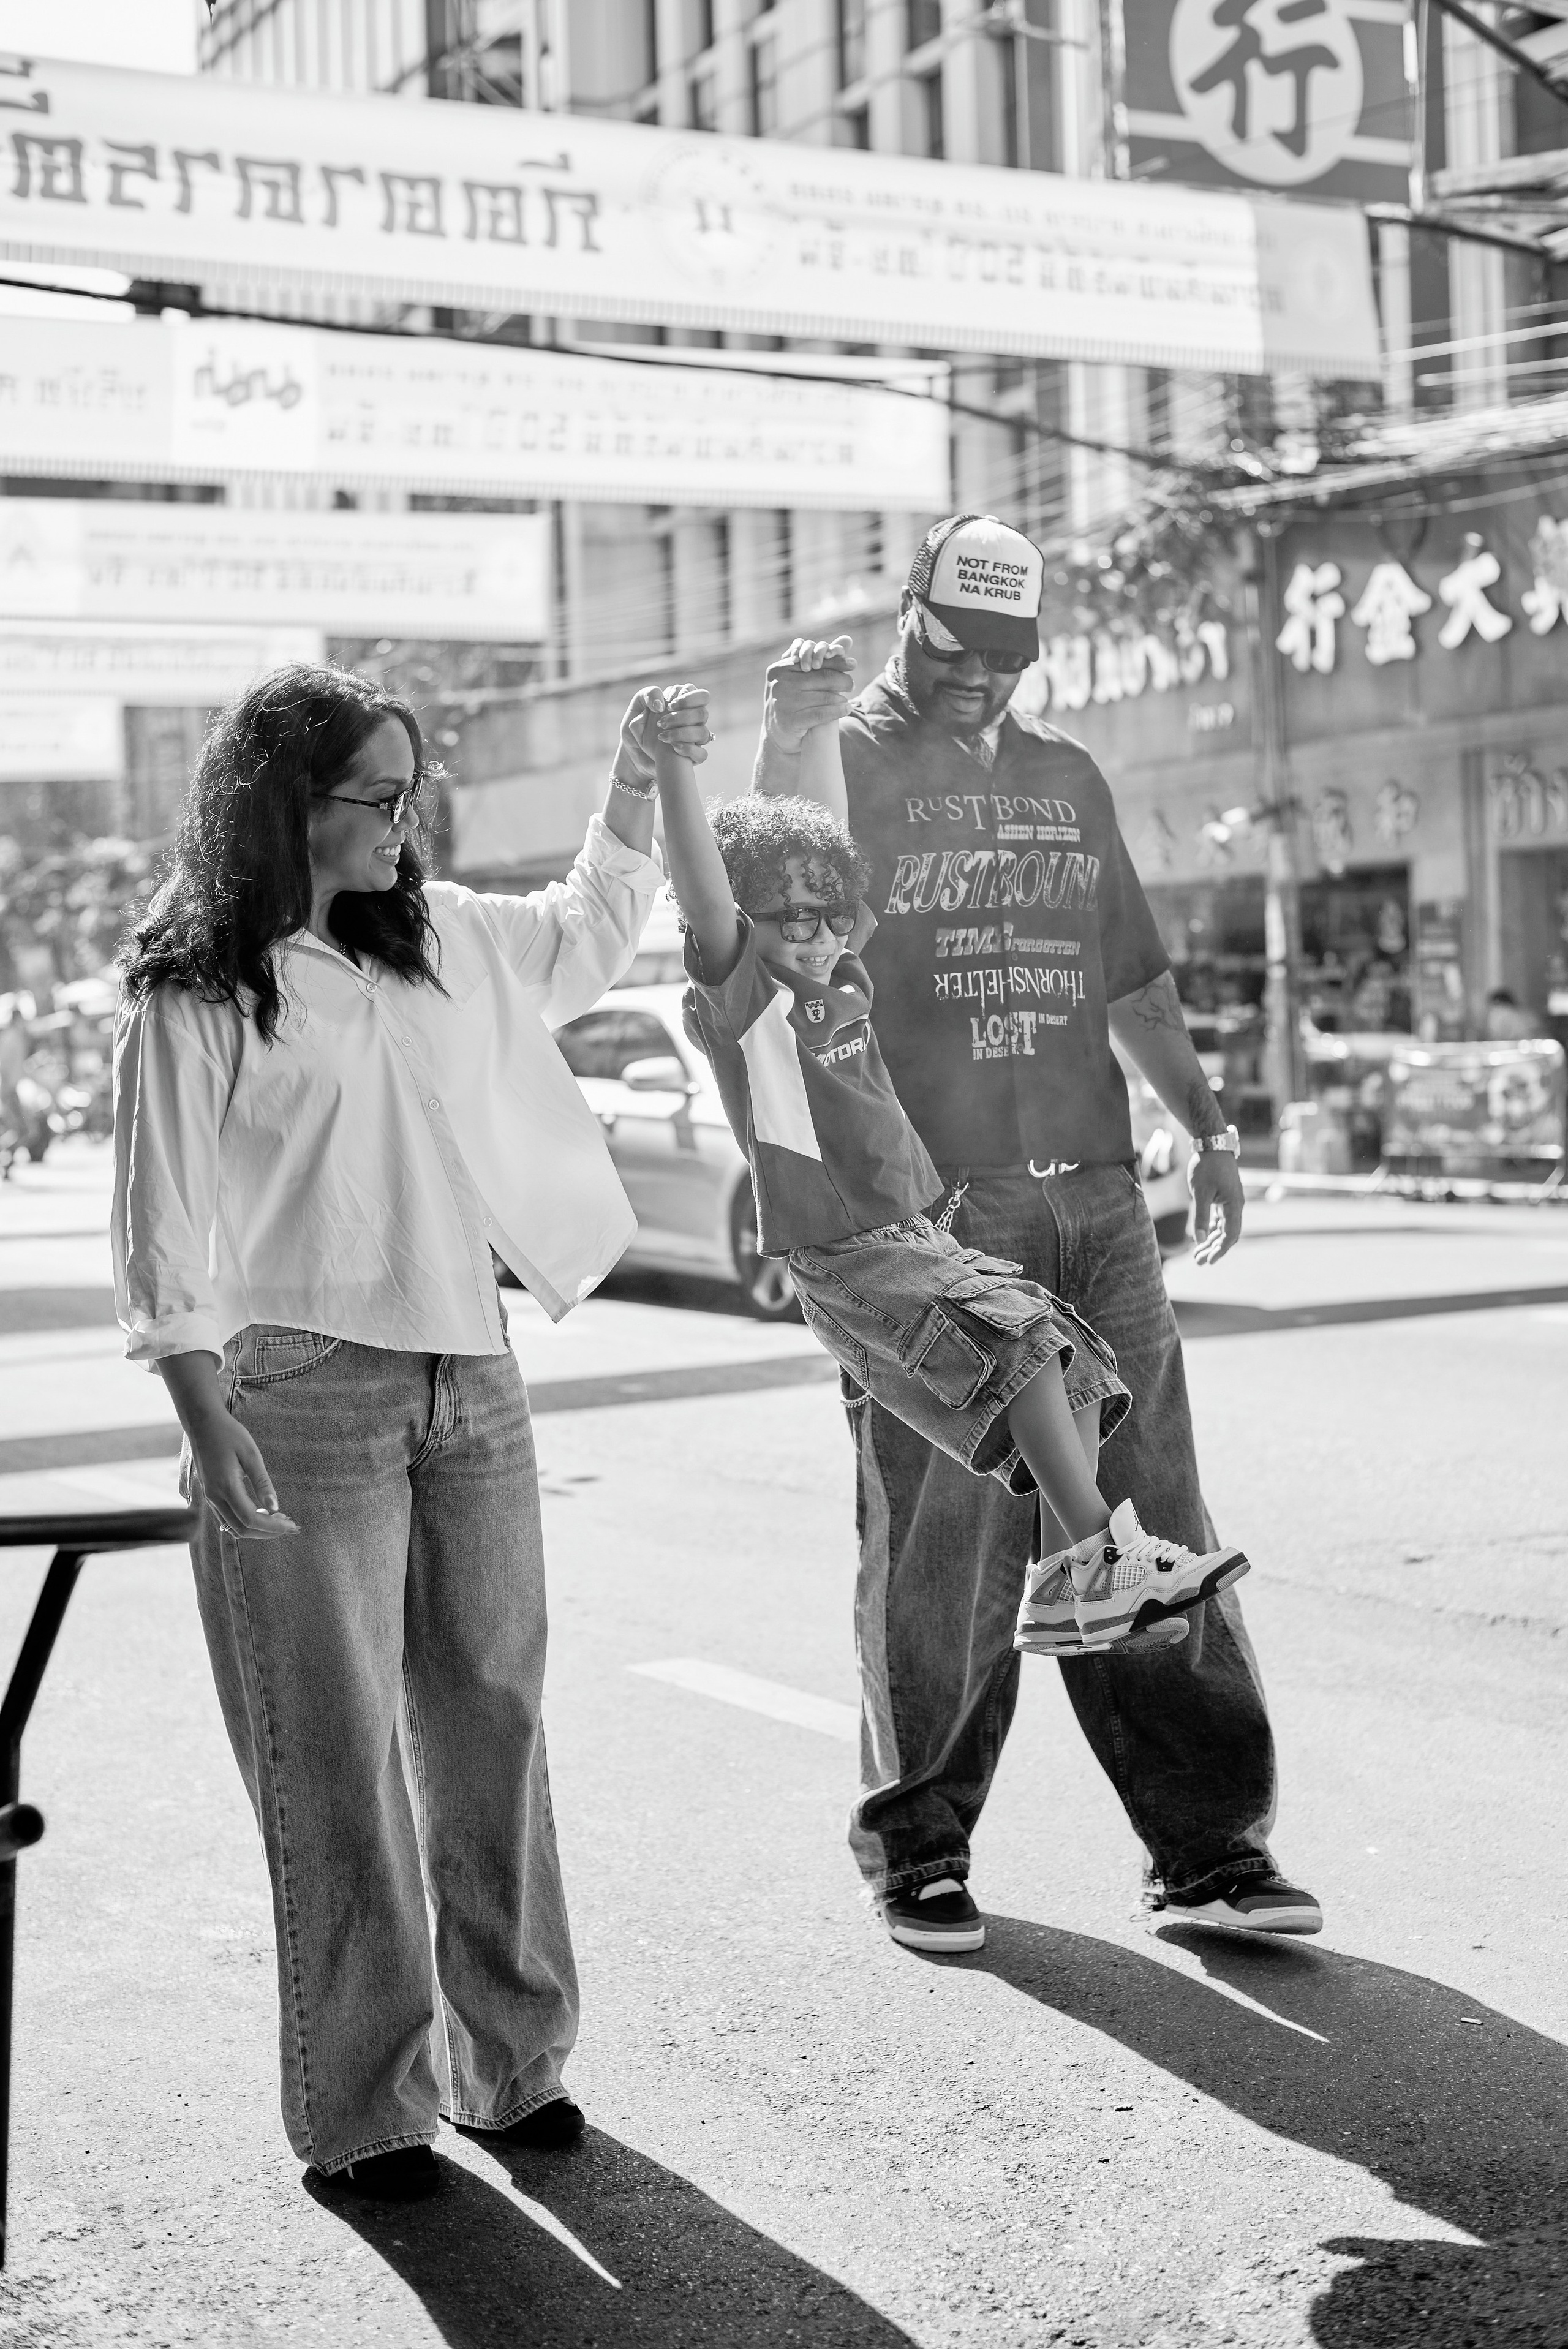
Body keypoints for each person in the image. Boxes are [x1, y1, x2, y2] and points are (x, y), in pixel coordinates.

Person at [112, 663, 700, 2200]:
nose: (401, 819)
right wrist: (197, 1394)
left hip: (470, 1373)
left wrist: (635, 780)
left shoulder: (439, 943)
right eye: (374, 794)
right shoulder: (199, 989)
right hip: (295, 1388)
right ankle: (369, 2102)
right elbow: (160, 1213)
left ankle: (511, 2068)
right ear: (284, 804)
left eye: (408, 791)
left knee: (491, 1721)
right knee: (334, 1755)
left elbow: (586, 929)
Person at [752, 516, 1322, 1955]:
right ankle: (919, 1847)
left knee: (1153, 1513)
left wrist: (1209, 1129)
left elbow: (1129, 984)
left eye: (1008, 658)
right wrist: (784, 740)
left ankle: (1207, 1851)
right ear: (907, 615)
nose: (979, 681)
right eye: (954, 650)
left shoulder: (1069, 778)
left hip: (1096, 1192)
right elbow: (771, 908)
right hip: (937, 1202)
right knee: (943, 1533)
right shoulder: (846, 763)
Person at [643, 682, 1251, 1659]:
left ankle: (1072, 1592)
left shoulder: (842, 973)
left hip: (914, 1231)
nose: (813, 929)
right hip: (845, 1246)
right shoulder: (742, 999)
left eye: (828, 911)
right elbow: (714, 881)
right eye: (787, 917)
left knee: (1083, 1371)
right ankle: (1098, 1558)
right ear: (741, 925)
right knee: (1023, 1354)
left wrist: (813, 735)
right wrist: (676, 760)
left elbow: (820, 833)